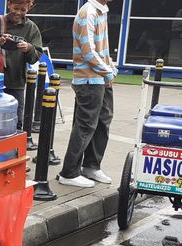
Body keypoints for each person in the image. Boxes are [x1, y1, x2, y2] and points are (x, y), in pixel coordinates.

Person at [57, 0, 116, 188]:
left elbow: (101, 49)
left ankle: (91, 166)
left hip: (100, 78)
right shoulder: (89, 12)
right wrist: (108, 71)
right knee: (86, 125)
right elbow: (88, 51)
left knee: (102, 121)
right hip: (90, 79)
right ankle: (69, 172)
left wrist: (109, 69)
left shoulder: (100, 11)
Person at [0, 0, 42, 130]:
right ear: (9, 5)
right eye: (15, 8)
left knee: (15, 121)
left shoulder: (31, 28)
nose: (18, 13)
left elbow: (36, 56)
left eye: (23, 10)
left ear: (29, 8)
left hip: (16, 82)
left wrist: (29, 48)